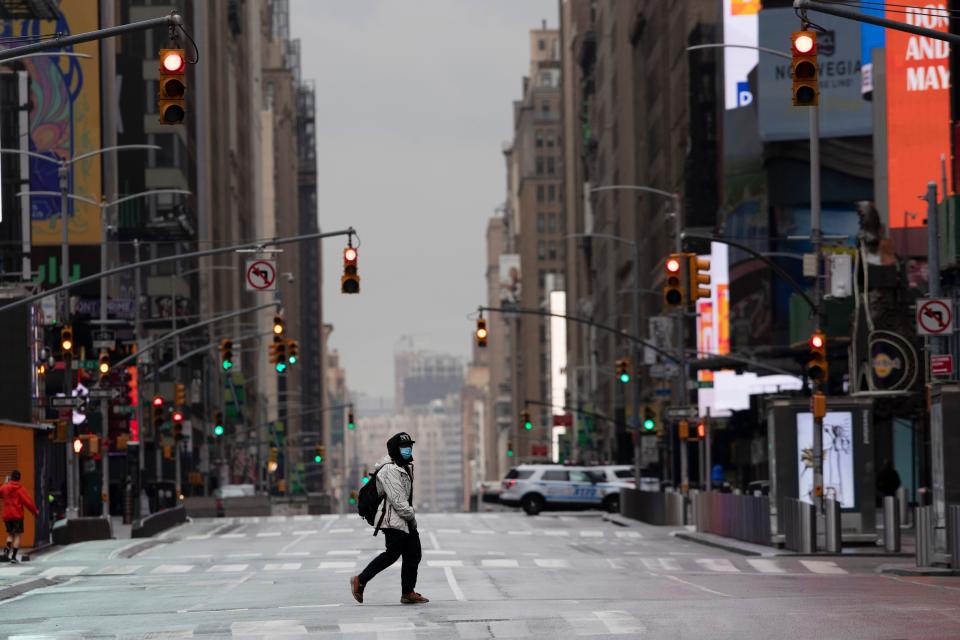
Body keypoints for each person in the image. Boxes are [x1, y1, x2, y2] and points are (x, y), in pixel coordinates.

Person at [350, 432, 428, 605]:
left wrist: (409, 519)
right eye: (403, 447)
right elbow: (399, 501)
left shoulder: (406, 466)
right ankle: (360, 580)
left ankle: (408, 592)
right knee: (392, 554)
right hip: (392, 519)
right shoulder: (389, 470)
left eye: (409, 446)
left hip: (402, 519)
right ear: (395, 449)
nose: (407, 450)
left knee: (413, 553)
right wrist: (412, 518)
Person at [0, 470, 39, 564]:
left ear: (11, 477)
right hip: (17, 515)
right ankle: (13, 557)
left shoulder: (4, 487)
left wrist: (4, 484)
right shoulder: (20, 489)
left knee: (10, 534)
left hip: (7, 515)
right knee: (17, 535)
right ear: (19, 478)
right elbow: (28, 502)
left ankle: (7, 550)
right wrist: (35, 512)